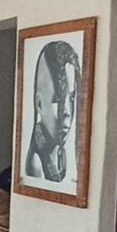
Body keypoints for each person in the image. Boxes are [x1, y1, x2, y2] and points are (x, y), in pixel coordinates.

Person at [24, 38, 81, 185]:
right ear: (39, 104)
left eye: (72, 99)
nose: (67, 111)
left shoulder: (62, 153)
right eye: (58, 100)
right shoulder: (37, 165)